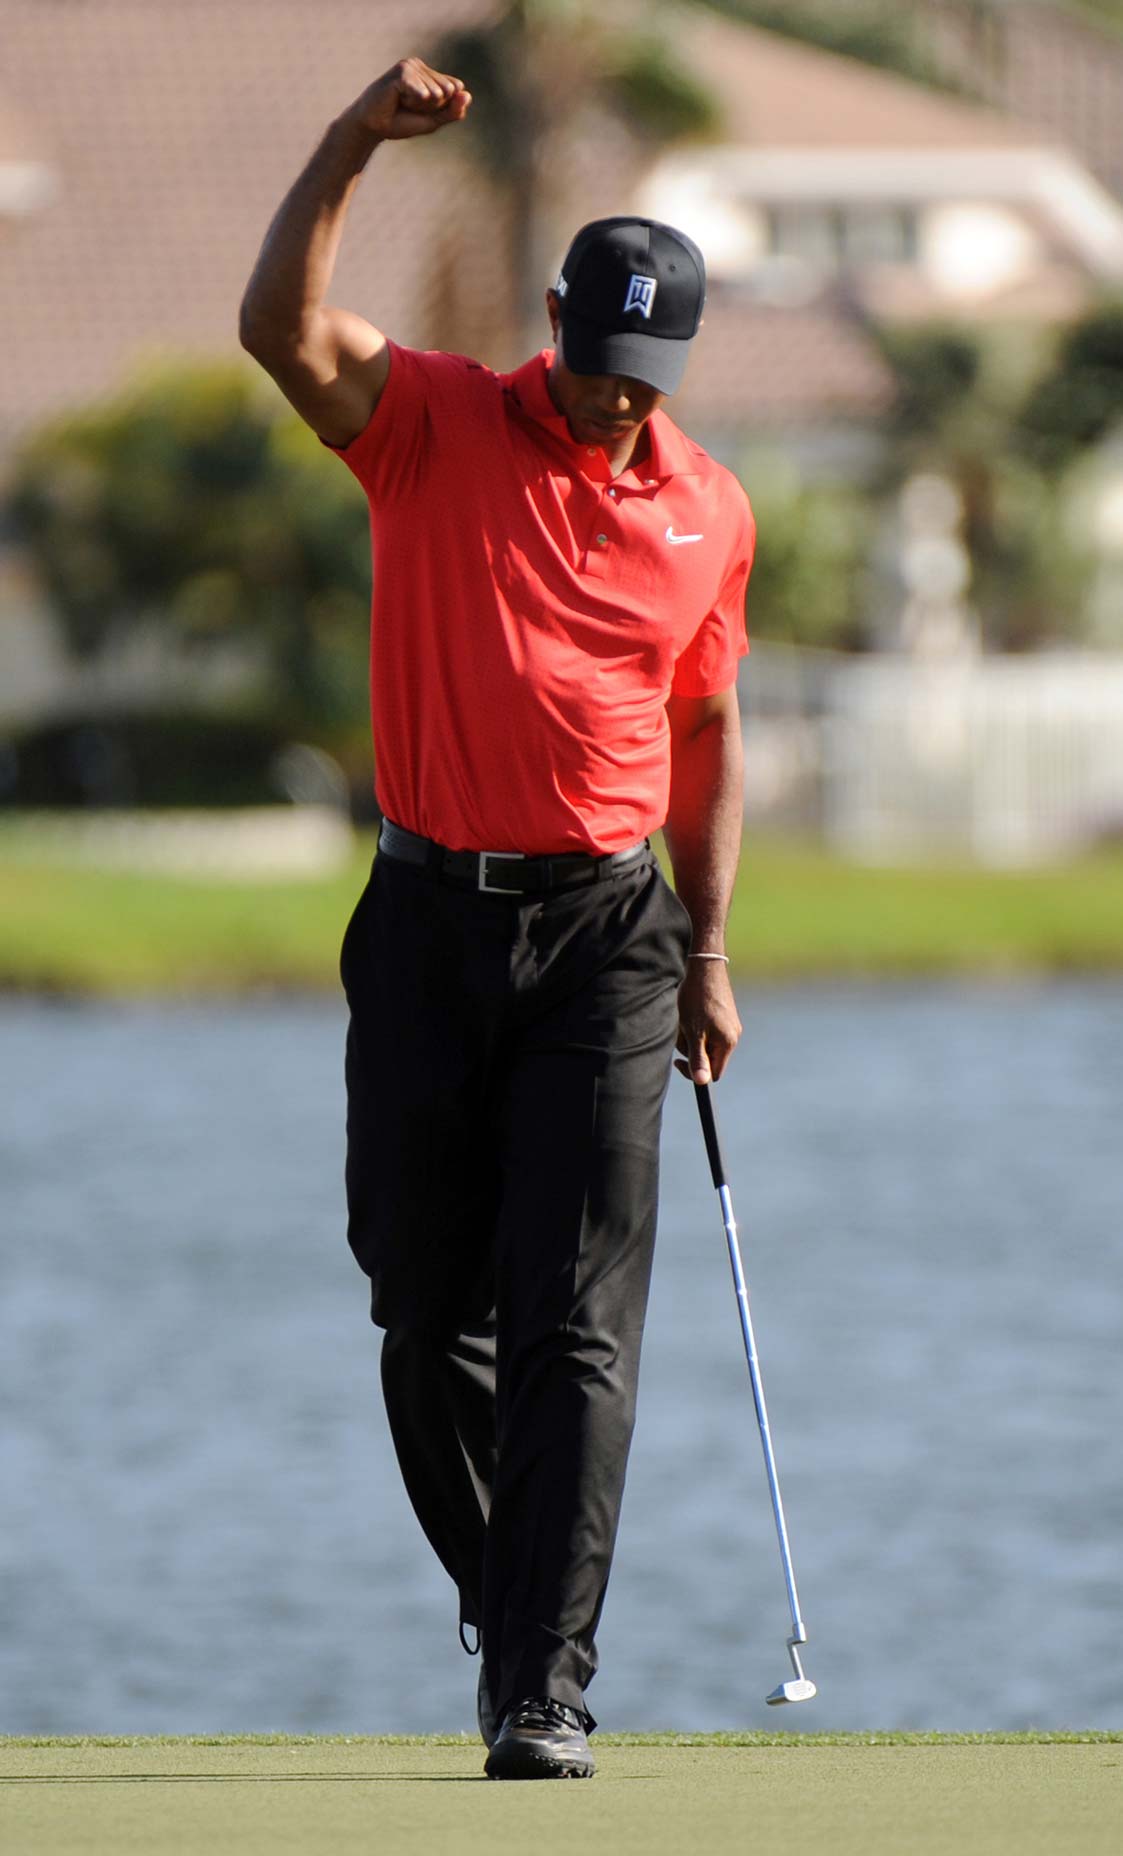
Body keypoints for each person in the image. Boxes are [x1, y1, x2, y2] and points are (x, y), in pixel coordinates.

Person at [239, 56, 754, 1780]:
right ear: (556, 325)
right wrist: (345, 149)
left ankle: (544, 1682)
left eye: (643, 385)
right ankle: (508, 1600)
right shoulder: (432, 420)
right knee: (420, 1303)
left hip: (611, 938)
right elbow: (280, 334)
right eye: (597, 372)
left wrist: (714, 946)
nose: (615, 407)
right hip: (424, 927)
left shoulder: (708, 513)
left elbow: (706, 729)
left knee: (578, 1318)